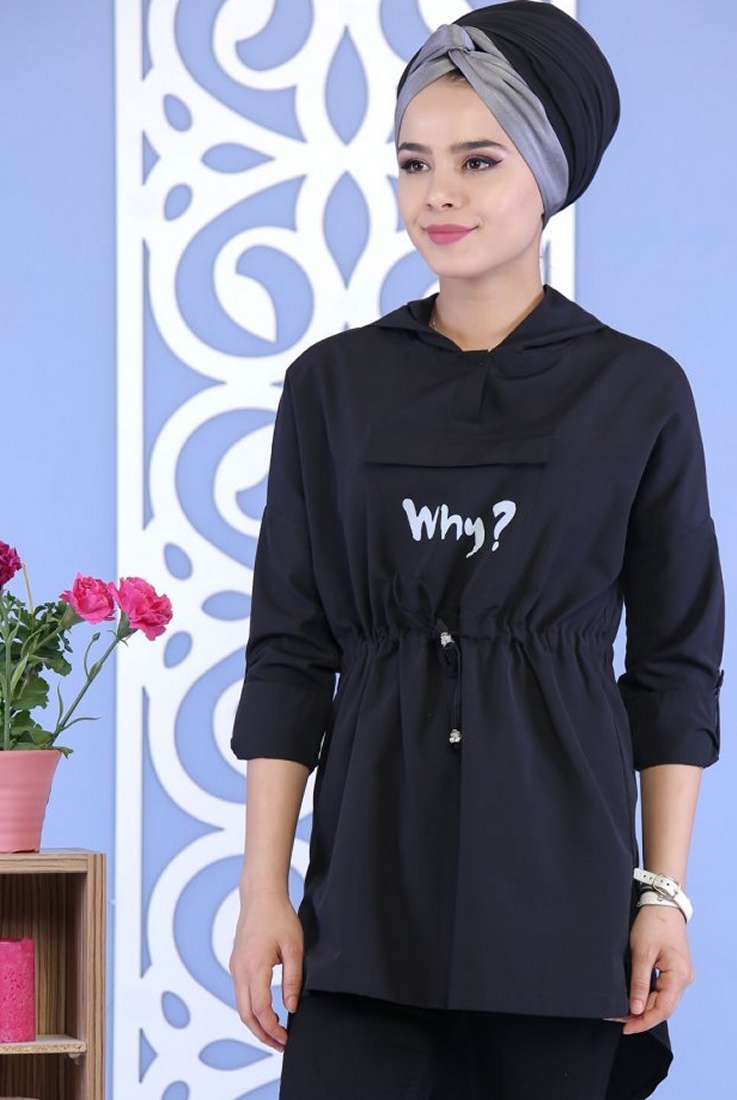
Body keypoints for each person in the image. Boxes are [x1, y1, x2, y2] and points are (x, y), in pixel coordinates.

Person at [229, 3, 724, 1098]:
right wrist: (263, 890)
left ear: (547, 174)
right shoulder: (331, 388)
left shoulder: (637, 392)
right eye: (413, 163)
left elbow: (675, 669)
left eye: (477, 160)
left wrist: (661, 894)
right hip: (366, 898)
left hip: (560, 899)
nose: (436, 194)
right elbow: (289, 653)